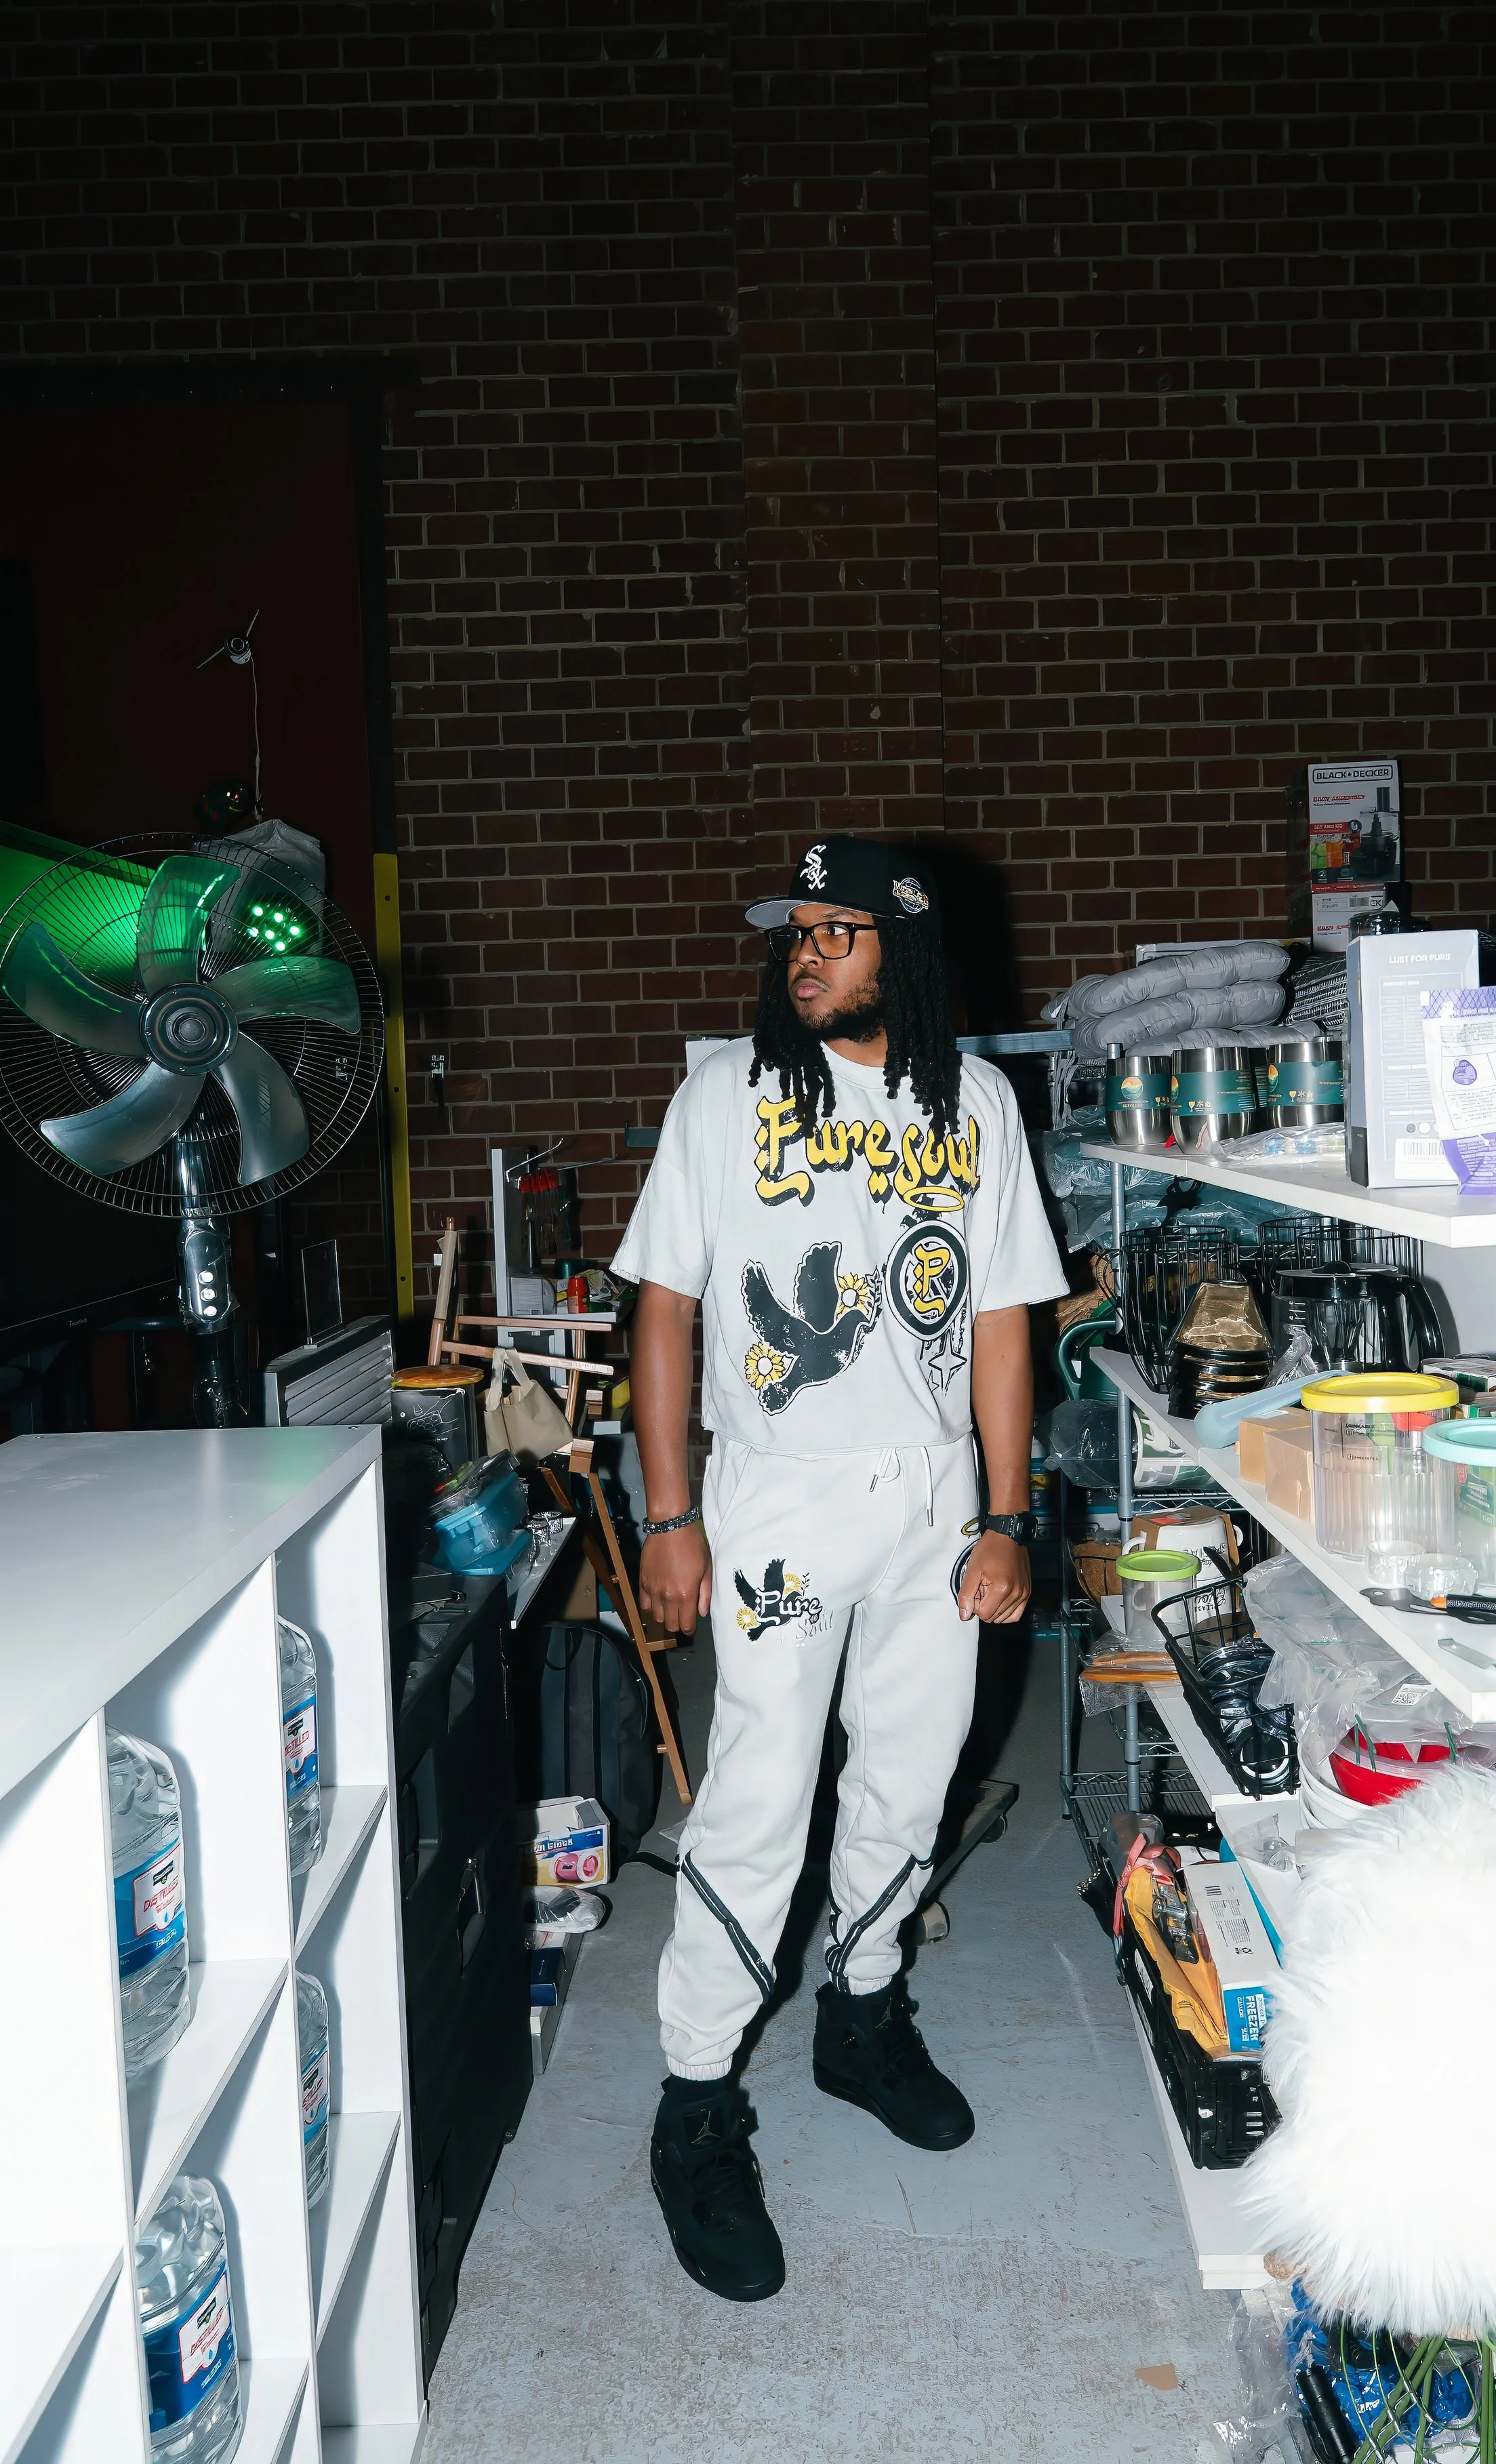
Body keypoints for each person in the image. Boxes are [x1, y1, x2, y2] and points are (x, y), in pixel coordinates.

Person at [611, 834, 1068, 2301]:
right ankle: (694, 2096)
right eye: (794, 930)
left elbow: (1003, 1319)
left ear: (906, 950)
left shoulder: (978, 1103)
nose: (803, 951)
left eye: (835, 930)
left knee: (911, 1773)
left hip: (935, 1496)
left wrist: (1006, 1514)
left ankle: (860, 2013)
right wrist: (668, 1516)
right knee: (758, 1792)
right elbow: (666, 1310)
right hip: (778, 1499)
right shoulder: (722, 1098)